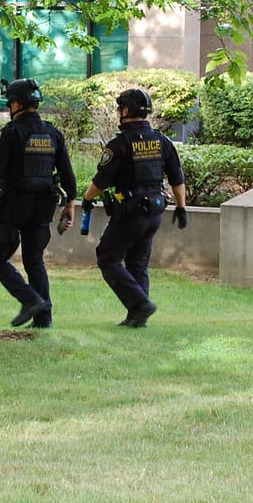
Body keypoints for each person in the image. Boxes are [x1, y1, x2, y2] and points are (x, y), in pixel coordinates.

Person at [0, 78, 77, 328]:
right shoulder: (53, 133)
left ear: (16, 104)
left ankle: (29, 299)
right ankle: (43, 319)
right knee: (34, 260)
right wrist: (70, 204)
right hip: (43, 207)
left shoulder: (10, 133)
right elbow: (68, 175)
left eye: (9, 103)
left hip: (13, 207)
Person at [80, 88, 187, 327]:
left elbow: (101, 181)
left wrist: (87, 199)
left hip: (129, 214)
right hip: (154, 212)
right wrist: (181, 207)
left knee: (107, 258)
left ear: (126, 110)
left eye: (120, 108)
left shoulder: (119, 144)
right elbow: (177, 178)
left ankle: (140, 305)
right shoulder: (162, 140)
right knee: (138, 263)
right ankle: (137, 317)